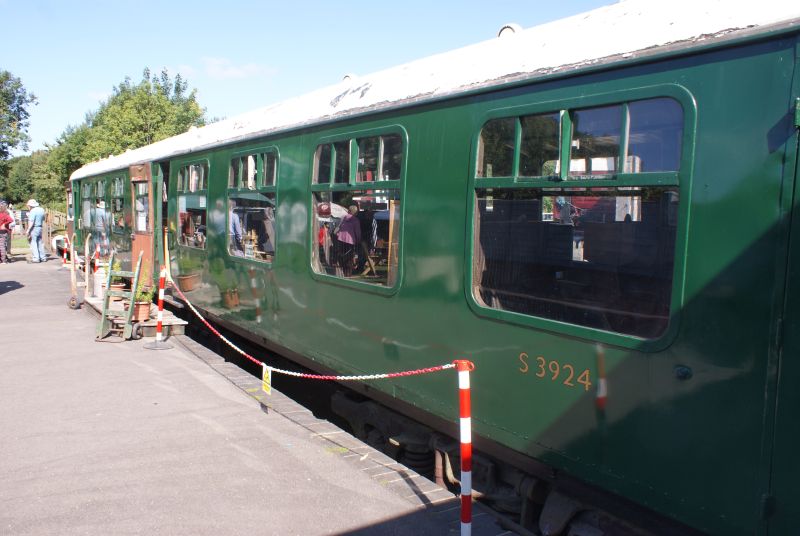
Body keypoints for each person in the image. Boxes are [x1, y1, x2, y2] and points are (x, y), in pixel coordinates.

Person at [334, 205, 361, 277]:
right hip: (350, 241)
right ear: (355, 212)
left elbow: (338, 228)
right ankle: (348, 273)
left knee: (342, 256)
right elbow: (357, 232)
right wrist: (358, 240)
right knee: (349, 258)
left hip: (341, 239)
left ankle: (342, 272)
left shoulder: (343, 218)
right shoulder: (355, 220)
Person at [26, 199, 47, 263]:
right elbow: (44, 218)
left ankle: (36, 258)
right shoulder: (41, 210)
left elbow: (31, 221)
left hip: (34, 228)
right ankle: (43, 257)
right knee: (40, 242)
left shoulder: (33, 211)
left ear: (30, 205)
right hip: (40, 227)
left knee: (33, 243)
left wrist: (28, 230)